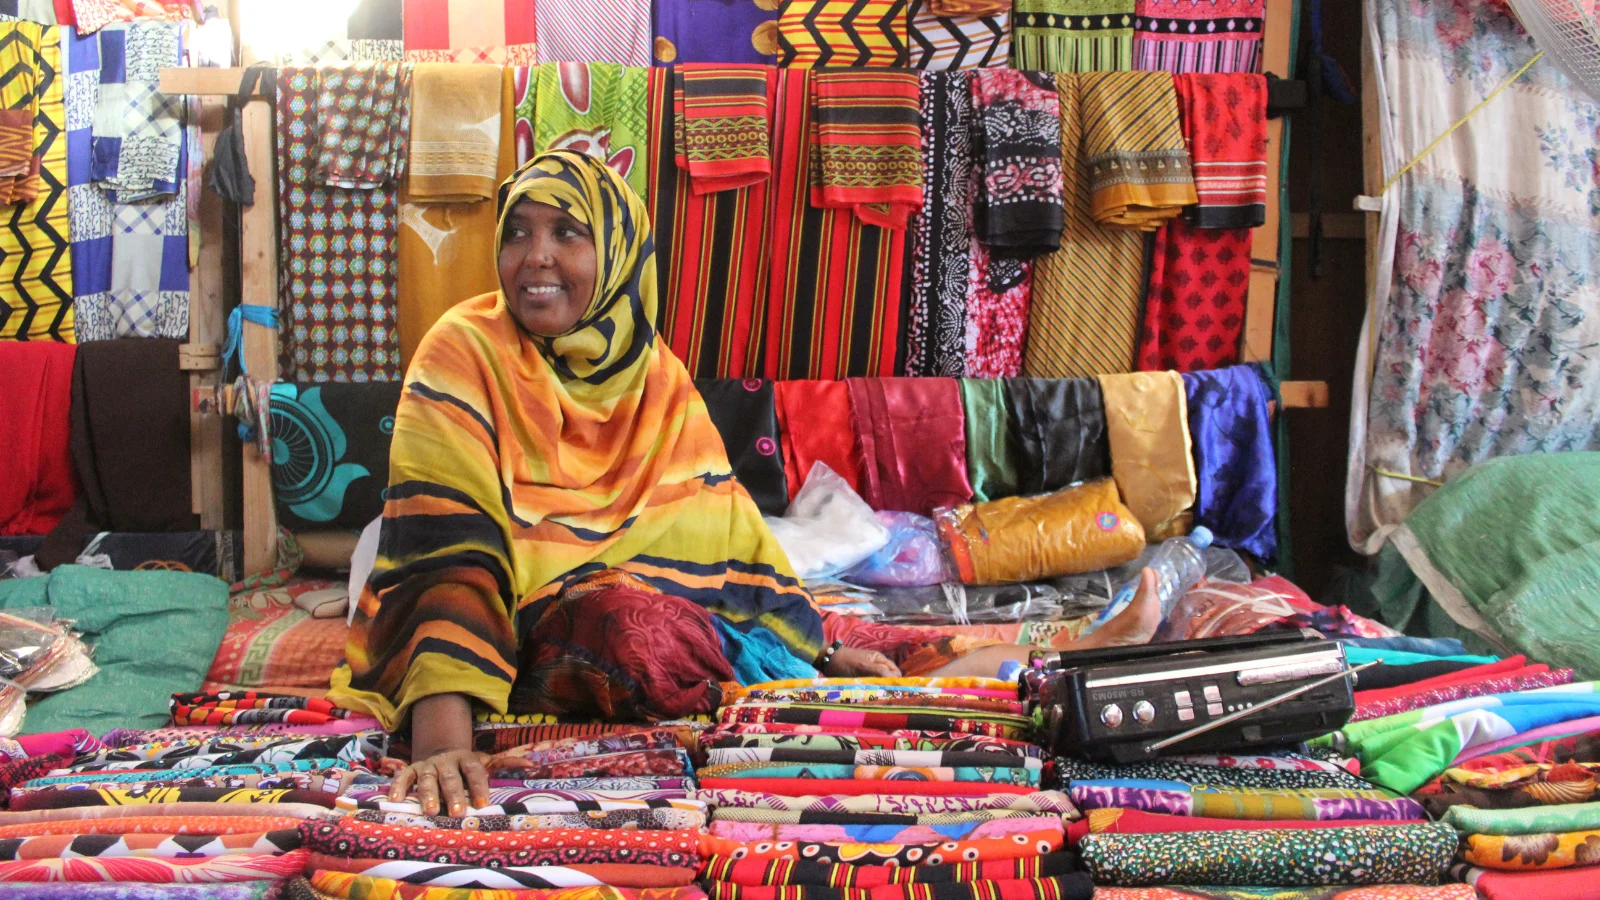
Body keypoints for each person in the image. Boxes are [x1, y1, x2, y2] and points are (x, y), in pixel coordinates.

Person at [326, 150, 1164, 818]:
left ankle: (1054, 661)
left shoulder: (651, 371)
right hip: (514, 622)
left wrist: (821, 644)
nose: (535, 259)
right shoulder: (464, 349)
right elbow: (447, 542)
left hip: (652, 599)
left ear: (617, 251)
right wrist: (440, 737)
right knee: (634, 635)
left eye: (567, 234)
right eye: (519, 232)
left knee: (831, 635)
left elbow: (725, 536)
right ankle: (866, 681)